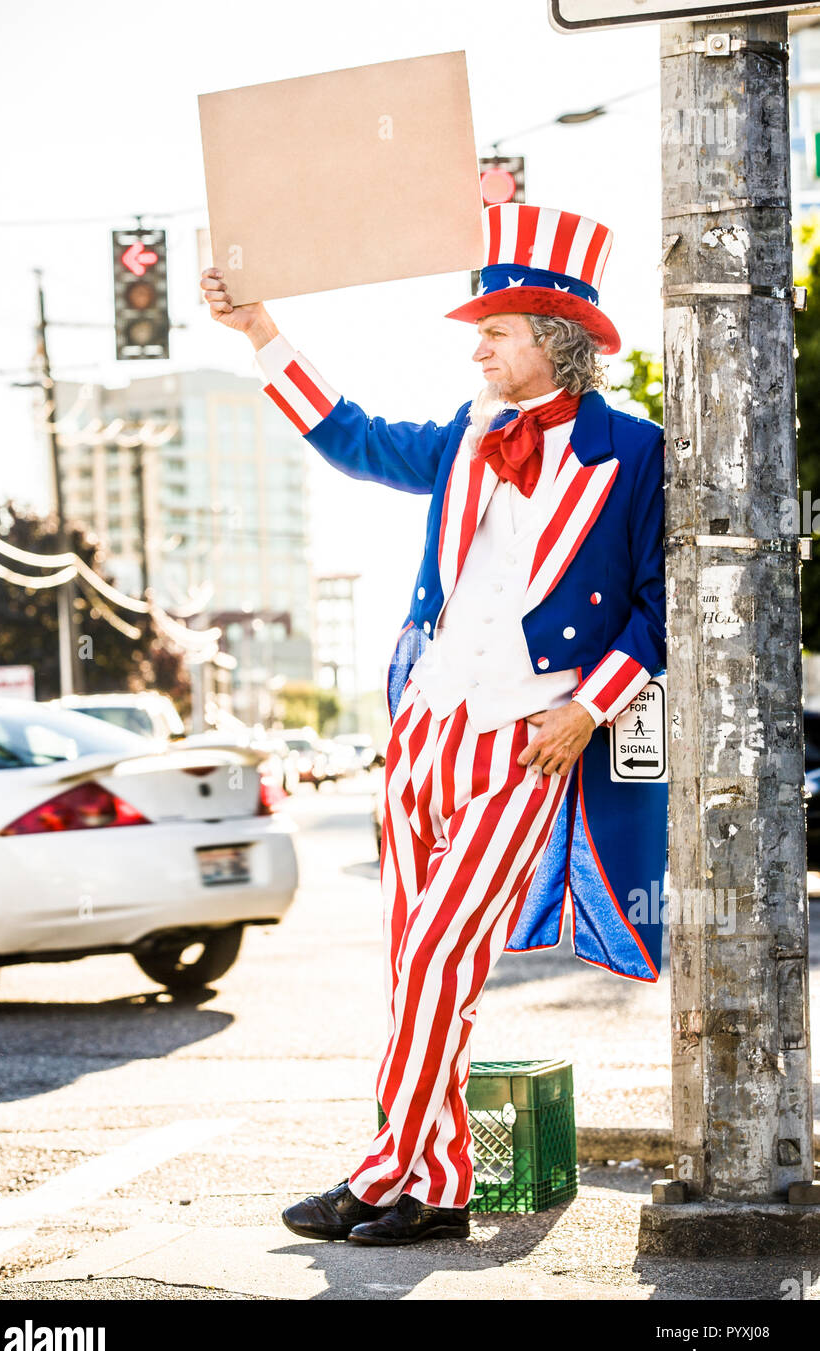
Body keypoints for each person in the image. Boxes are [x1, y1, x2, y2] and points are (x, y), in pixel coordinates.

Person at [200, 202, 666, 1248]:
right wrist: (261, 330)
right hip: (425, 733)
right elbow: (351, 436)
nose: (476, 345)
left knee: (445, 948)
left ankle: (381, 1175)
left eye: (494, 331)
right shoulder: (465, 437)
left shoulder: (631, 452)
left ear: (552, 341)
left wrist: (587, 708)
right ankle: (441, 1178)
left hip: (524, 740)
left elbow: (657, 606)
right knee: (409, 959)